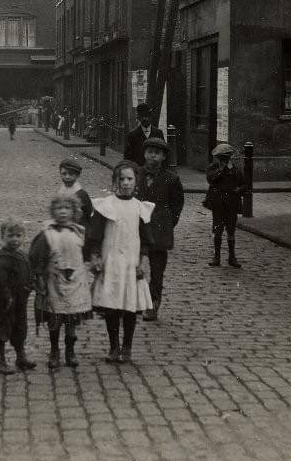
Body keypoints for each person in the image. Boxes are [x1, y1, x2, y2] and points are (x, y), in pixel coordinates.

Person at [85, 161, 154, 364]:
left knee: (129, 307)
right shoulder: (106, 206)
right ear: (115, 181)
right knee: (112, 307)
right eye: (121, 179)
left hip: (131, 265)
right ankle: (114, 345)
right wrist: (96, 257)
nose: (125, 183)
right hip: (111, 264)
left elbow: (145, 239)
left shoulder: (139, 208)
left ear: (136, 182)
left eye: (129, 179)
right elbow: (95, 236)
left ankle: (127, 346)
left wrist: (141, 262)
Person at [29, 196, 92, 370]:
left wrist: (93, 260)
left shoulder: (79, 232)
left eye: (67, 208)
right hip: (54, 282)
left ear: (74, 212)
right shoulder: (47, 234)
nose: (63, 212)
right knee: (55, 318)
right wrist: (39, 276)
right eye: (58, 208)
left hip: (75, 283)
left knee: (72, 319)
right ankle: (54, 350)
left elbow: (87, 252)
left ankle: (70, 350)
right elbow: (36, 257)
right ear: (53, 211)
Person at [136, 137, 184, 321]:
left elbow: (177, 204)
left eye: (157, 153)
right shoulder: (135, 174)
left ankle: (152, 304)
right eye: (149, 152)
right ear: (144, 153)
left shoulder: (171, 179)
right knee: (131, 266)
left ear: (164, 157)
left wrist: (168, 223)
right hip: (136, 230)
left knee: (157, 272)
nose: (152, 156)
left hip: (159, 231)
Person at [0, 219, 37, 375]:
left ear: (24, 237)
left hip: (21, 300)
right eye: (10, 235)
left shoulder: (23, 255)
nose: (15, 239)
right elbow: (0, 281)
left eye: (18, 235)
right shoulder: (2, 259)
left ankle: (20, 356)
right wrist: (7, 296)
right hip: (6, 302)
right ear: (3, 236)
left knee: (20, 327)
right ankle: (0, 361)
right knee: (3, 328)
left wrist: (32, 284)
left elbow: (29, 272)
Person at [204, 142, 246, 268]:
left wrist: (238, 191)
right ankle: (216, 257)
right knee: (217, 230)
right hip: (218, 204)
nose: (224, 160)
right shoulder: (213, 168)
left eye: (226, 157)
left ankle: (232, 257)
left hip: (231, 203)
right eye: (222, 158)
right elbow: (210, 179)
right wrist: (221, 170)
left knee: (231, 230)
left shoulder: (236, 170)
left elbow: (244, 184)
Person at [123, 101, 163, 167]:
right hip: (138, 171)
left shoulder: (158, 133)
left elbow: (163, 154)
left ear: (150, 117)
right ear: (138, 118)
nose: (145, 118)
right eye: (142, 116)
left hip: (155, 171)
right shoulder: (132, 135)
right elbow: (127, 158)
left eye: (147, 116)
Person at [57, 156, 93, 225]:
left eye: (71, 174)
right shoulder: (61, 190)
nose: (67, 177)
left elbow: (89, 213)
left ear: (77, 175)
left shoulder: (81, 194)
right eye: (64, 173)